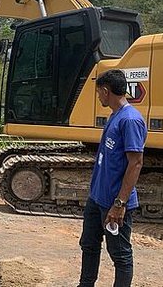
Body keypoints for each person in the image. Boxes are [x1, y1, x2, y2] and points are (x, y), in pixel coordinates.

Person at [78, 69, 147, 287]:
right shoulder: (115, 116)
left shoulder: (130, 120)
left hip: (114, 202)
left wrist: (119, 204)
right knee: (89, 244)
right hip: (97, 198)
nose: (98, 97)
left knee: (120, 255)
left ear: (106, 91)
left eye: (99, 92)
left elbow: (135, 163)